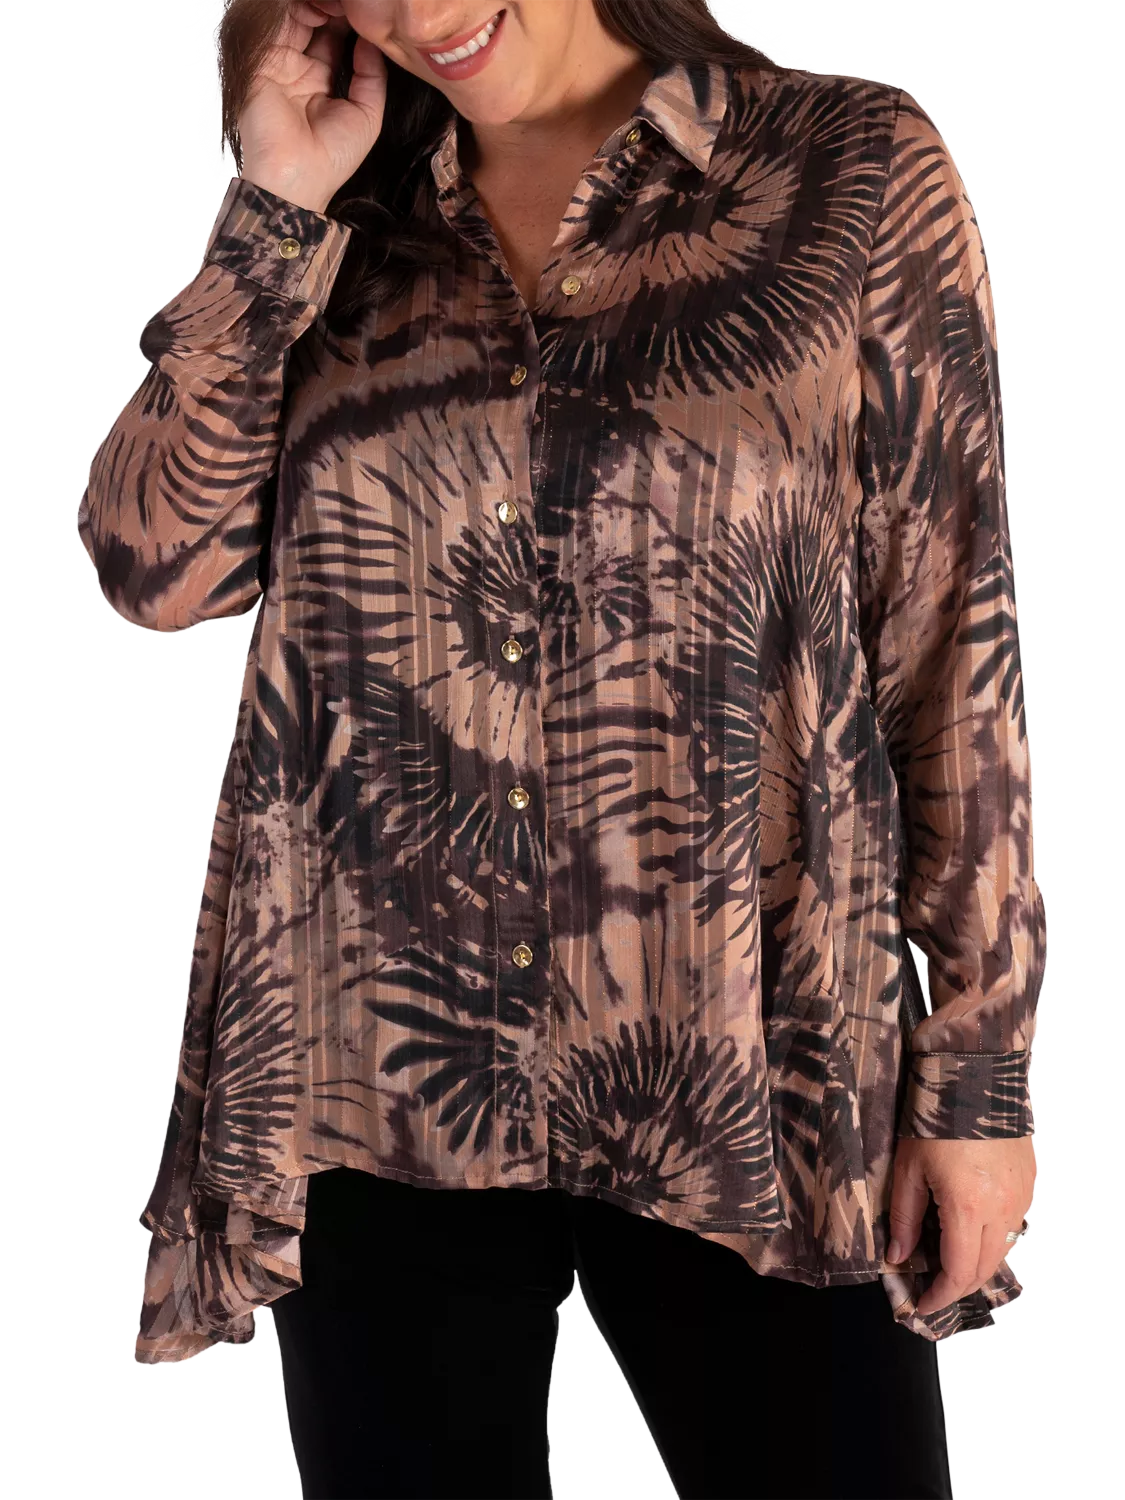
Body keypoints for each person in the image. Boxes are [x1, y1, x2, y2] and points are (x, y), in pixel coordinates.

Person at [76, 1, 1046, 1496]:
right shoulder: (343, 227)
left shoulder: (847, 166)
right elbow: (155, 566)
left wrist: (976, 1076)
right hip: (385, 1073)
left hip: (748, 1057)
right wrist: (273, 210)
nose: (422, 15)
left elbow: (951, 631)